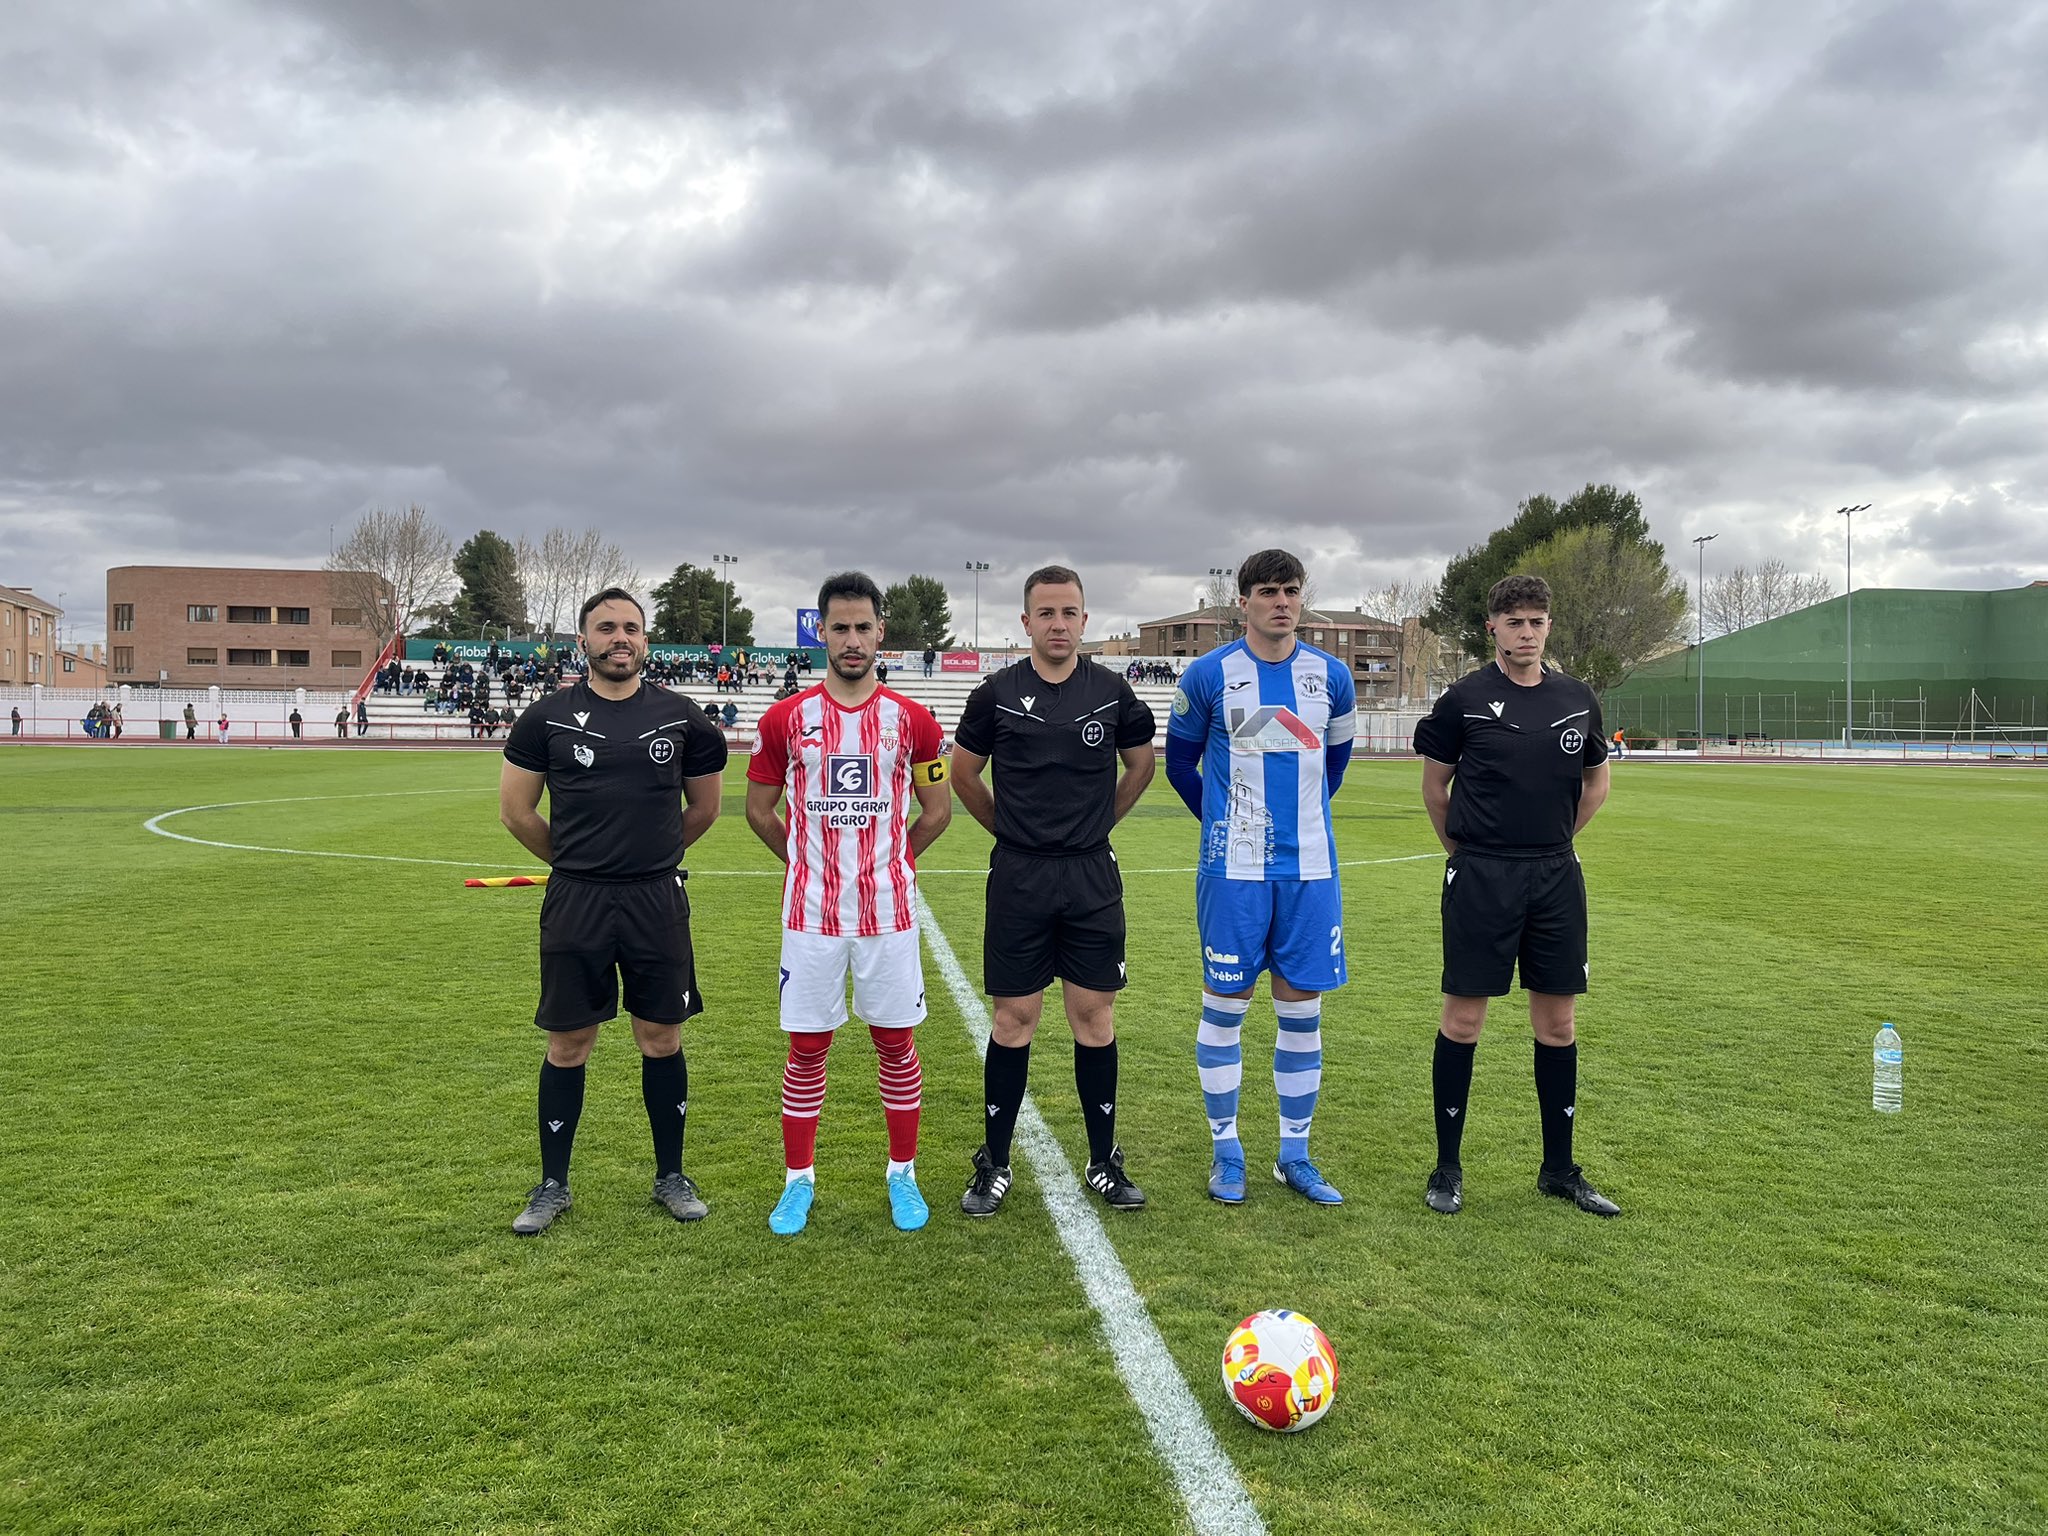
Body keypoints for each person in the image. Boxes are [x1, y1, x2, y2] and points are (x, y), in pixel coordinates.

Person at [499, 586, 728, 1236]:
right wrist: (578, 862)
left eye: (631, 627)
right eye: (607, 628)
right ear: (583, 641)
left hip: (656, 898)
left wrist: (648, 857)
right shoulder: (545, 718)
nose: (619, 638)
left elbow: (705, 808)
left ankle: (671, 1176)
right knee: (569, 1042)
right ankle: (552, 1185)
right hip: (576, 900)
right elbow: (517, 813)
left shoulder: (683, 717)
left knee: (661, 1036)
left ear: (645, 640)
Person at [744, 571, 952, 1236]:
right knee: (807, 1048)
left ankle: (903, 1174)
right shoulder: (785, 720)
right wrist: (805, 862)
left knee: (896, 1044)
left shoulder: (914, 721)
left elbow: (937, 809)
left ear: (881, 632)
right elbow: (758, 809)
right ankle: (797, 1183)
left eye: (864, 627)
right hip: (810, 918)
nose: (853, 639)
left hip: (888, 916)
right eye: (840, 627)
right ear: (821, 634)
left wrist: (895, 861)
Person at [950, 565, 1157, 1216]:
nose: (1058, 624)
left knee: (1094, 1019)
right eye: (1046, 613)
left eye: (1069, 613)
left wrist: (1099, 825)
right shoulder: (996, 694)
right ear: (1026, 623)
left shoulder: (1112, 691)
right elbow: (963, 774)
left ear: (1085, 620)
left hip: (1091, 875)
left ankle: (1103, 1161)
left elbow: (1142, 763)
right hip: (1020, 876)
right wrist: (1010, 832)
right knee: (1014, 1020)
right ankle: (995, 1162)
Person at [1413, 573, 1617, 1218]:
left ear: (1547, 627)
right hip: (1482, 876)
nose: (1526, 633)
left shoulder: (1577, 698)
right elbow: (1435, 790)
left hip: (1556, 876)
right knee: (1463, 1020)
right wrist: (1468, 858)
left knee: (1557, 1024)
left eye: (1536, 622)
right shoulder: (1464, 700)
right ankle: (1447, 1167)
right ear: (1492, 629)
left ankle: (1559, 1169)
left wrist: (1554, 843)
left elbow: (1596, 783)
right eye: (1514, 622)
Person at [1163, 548, 1357, 1206]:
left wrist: (1295, 822)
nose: (1282, 602)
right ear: (1243, 601)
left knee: (1302, 1015)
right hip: (1234, 872)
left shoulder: (1332, 678)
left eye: (1292, 591)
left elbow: (1334, 767)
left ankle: (1294, 1155)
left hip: (1309, 870)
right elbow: (1180, 766)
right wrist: (1224, 825)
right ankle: (1228, 1153)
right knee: (1225, 1009)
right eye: (1269, 591)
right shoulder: (1208, 676)